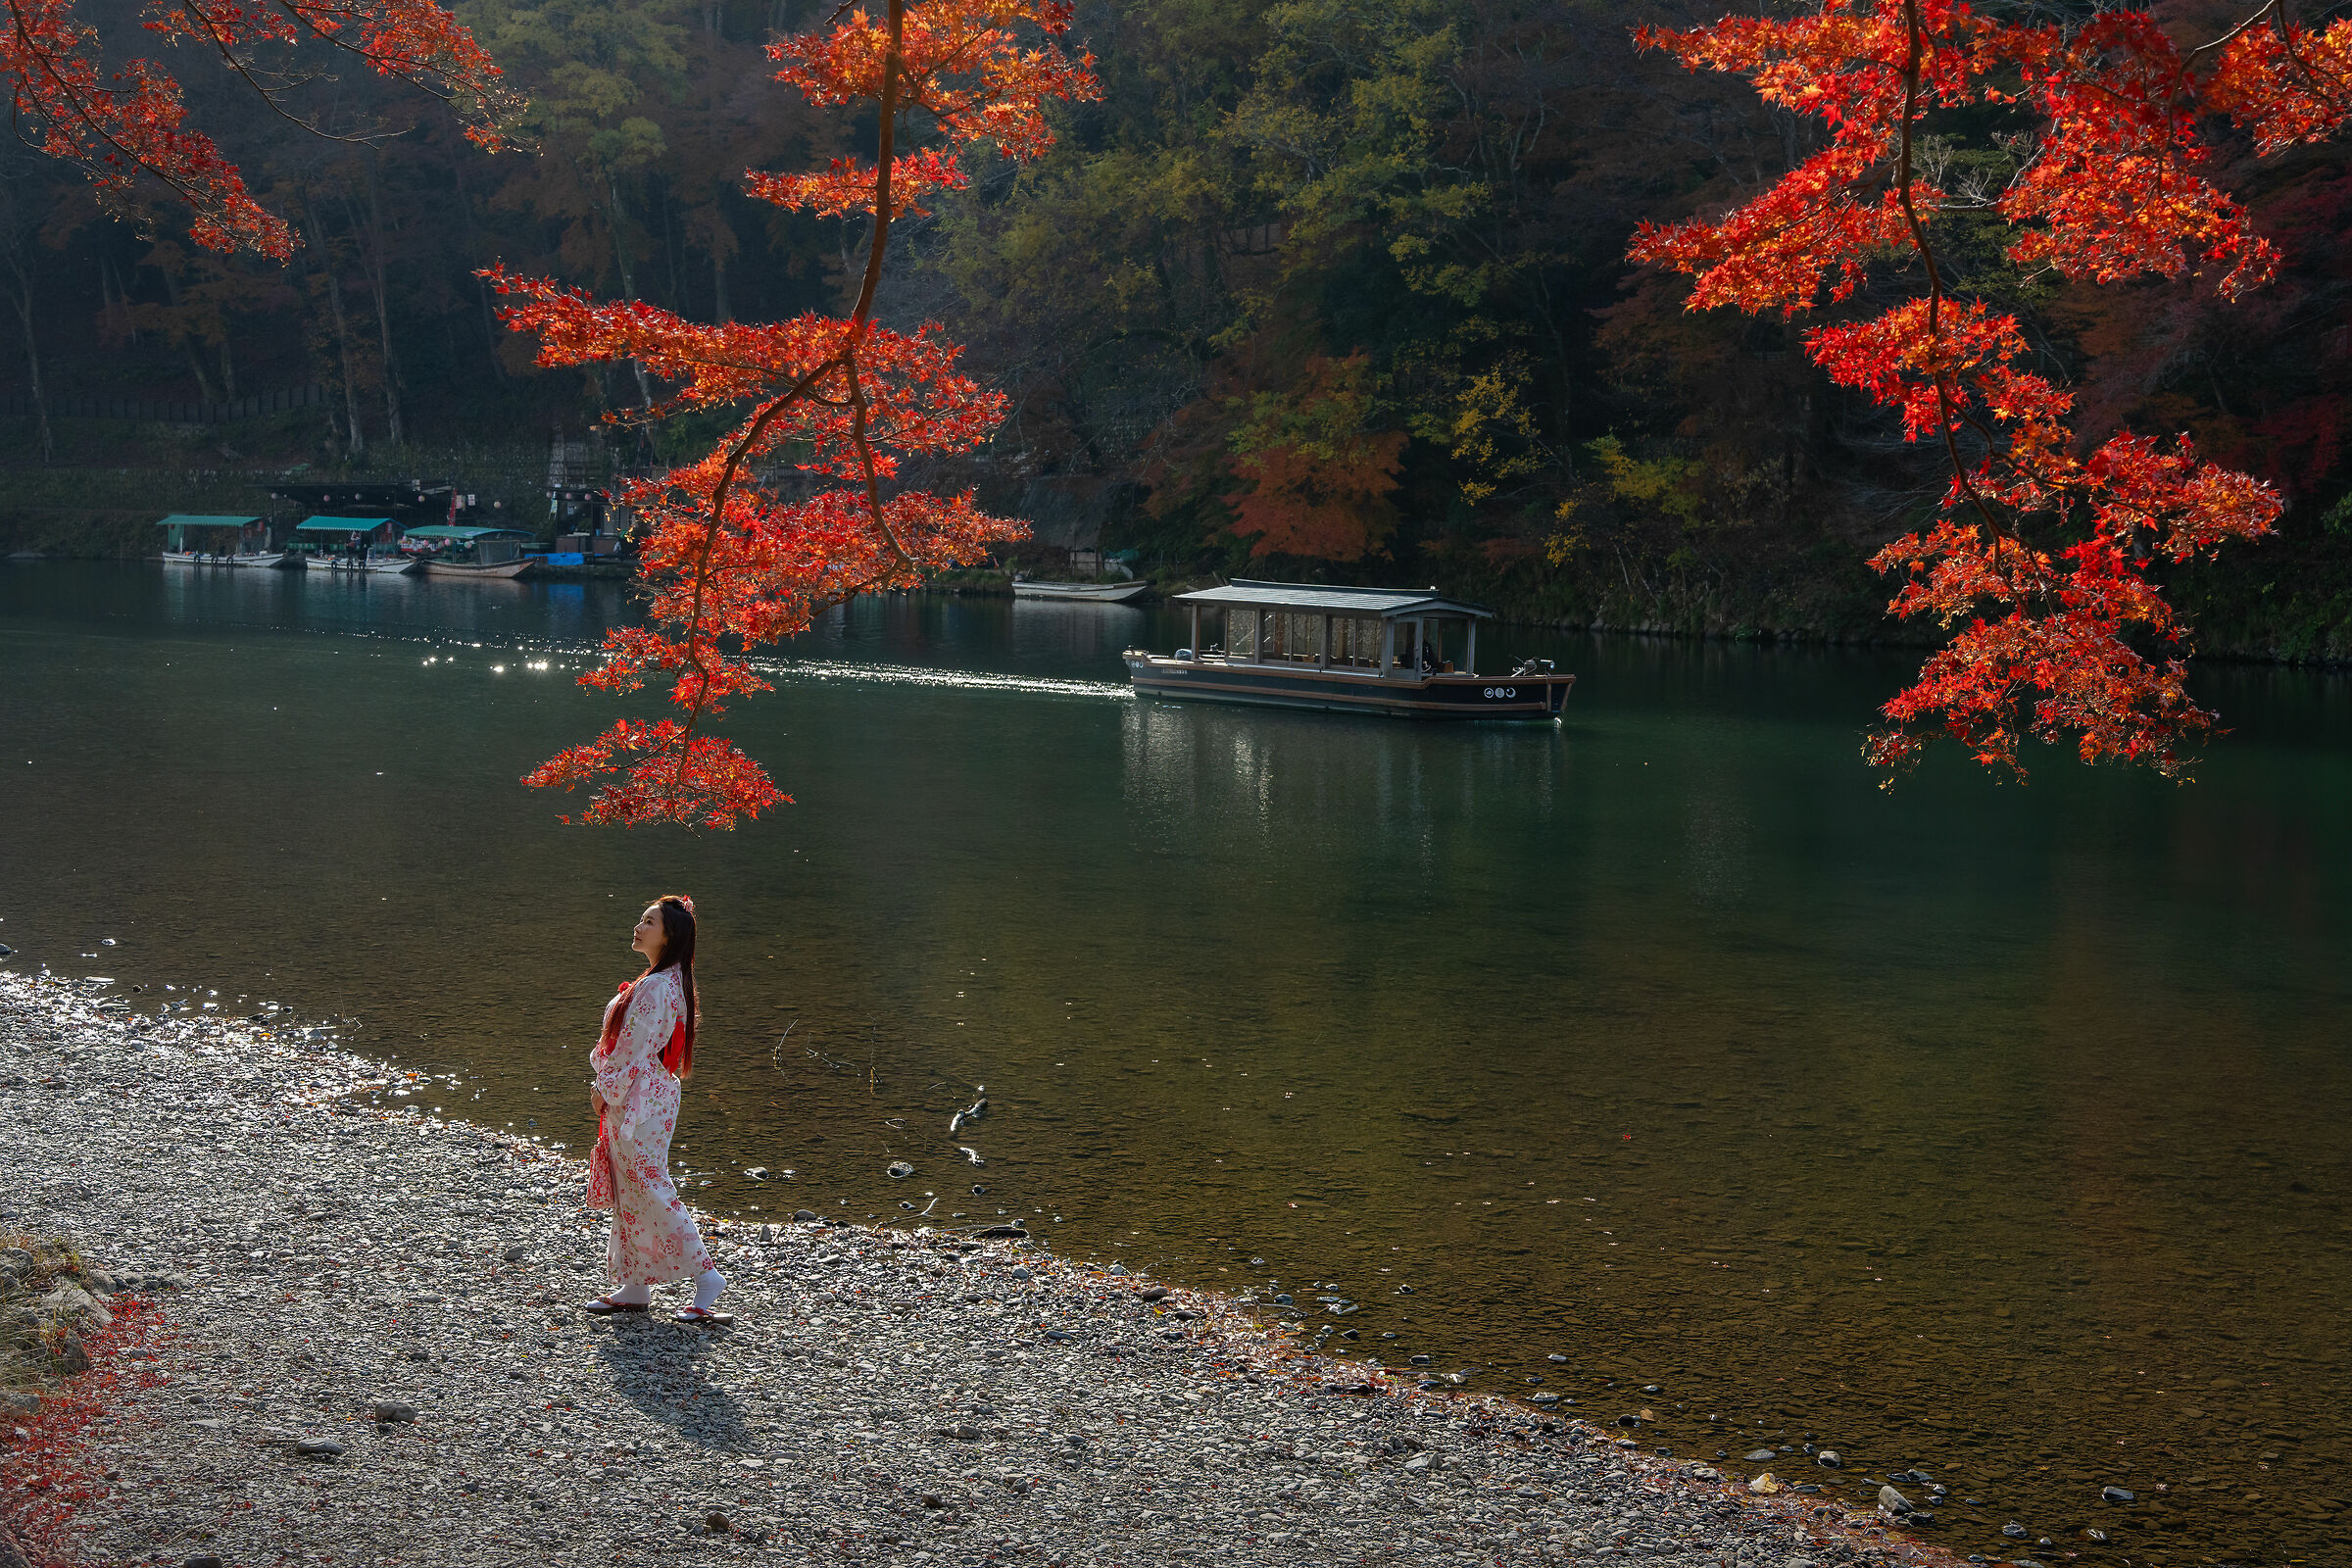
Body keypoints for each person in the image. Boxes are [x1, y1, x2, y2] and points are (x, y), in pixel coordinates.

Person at [581, 894, 731, 1323]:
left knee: (649, 1185)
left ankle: (707, 1276)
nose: (638, 926)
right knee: (632, 1186)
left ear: (668, 936)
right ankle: (635, 1284)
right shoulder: (666, 980)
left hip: (638, 1100)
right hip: (645, 1094)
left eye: (648, 922)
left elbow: (632, 1051)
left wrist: (604, 1090)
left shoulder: (657, 985)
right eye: (641, 919)